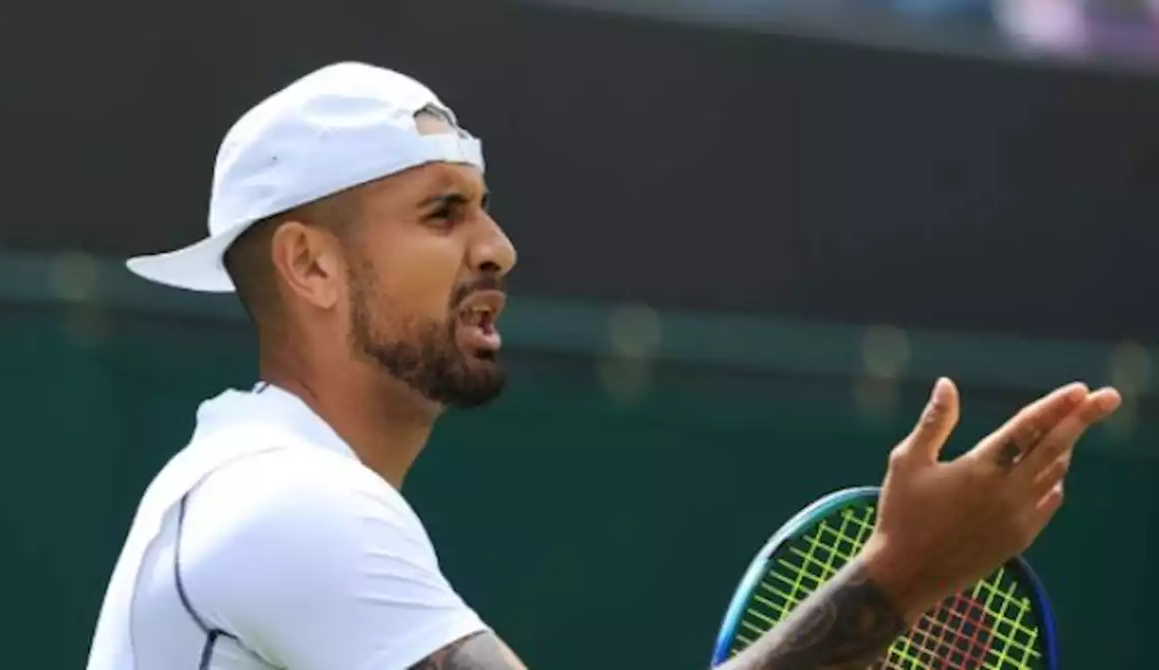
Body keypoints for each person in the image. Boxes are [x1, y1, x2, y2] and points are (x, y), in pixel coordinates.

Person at [84, 61, 1122, 670]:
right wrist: (901, 575)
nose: (497, 248)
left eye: (481, 208)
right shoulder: (283, 501)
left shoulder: (257, 487)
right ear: (308, 263)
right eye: (442, 212)